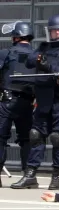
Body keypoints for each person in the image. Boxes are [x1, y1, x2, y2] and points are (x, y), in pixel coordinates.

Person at [12, 14, 59, 190]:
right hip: (44, 99)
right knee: (36, 135)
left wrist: (49, 66)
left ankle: (56, 176)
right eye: (53, 30)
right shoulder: (44, 47)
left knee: (57, 137)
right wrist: (39, 59)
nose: (56, 33)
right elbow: (30, 60)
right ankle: (30, 175)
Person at [0, 22, 35, 186]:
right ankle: (29, 176)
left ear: (16, 37)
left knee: (0, 138)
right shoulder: (37, 56)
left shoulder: (6, 53)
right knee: (27, 139)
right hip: (28, 102)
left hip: (7, 100)